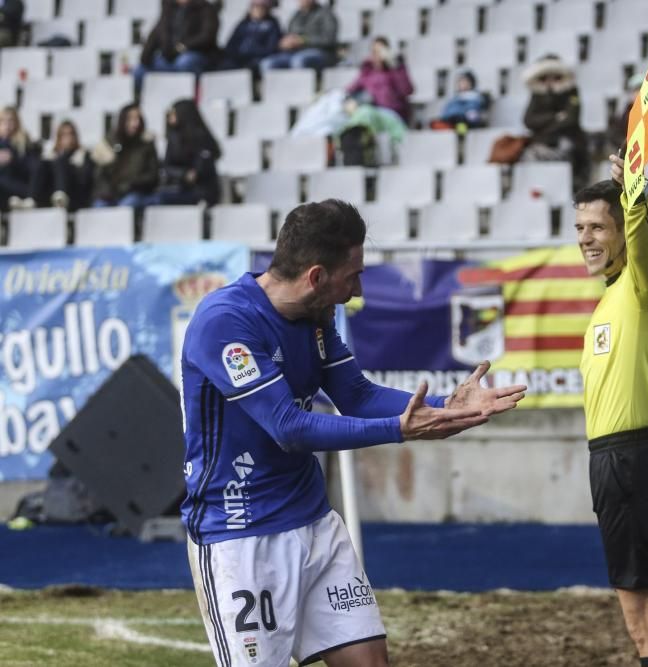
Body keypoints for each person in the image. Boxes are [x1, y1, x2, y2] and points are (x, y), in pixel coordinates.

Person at [180, 199, 527, 667]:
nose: (358, 289)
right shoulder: (225, 321)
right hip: (241, 534)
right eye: (353, 275)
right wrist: (400, 431)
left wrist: (447, 407)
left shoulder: (318, 315)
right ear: (317, 276)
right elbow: (288, 427)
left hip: (314, 522)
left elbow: (357, 395)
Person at [574, 155, 648, 666]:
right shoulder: (610, 299)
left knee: (647, 623)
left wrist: (637, 196)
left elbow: (645, 245)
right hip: (615, 465)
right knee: (645, 622)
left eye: (598, 226)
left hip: (636, 463)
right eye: (580, 227)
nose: (586, 237)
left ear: (624, 231)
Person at [522, 53, 590, 193]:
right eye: (544, 77)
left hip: (568, 142)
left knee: (567, 151)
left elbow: (571, 119)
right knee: (529, 156)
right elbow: (528, 120)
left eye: (555, 76)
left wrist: (544, 125)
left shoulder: (571, 91)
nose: (549, 80)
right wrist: (555, 117)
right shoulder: (537, 95)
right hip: (542, 143)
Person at [134, 0, 220, 93]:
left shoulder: (205, 8)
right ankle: (149, 98)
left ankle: (187, 95)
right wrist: (146, 55)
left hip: (197, 54)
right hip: (169, 57)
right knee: (140, 70)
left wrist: (183, 46)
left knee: (185, 62)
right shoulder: (168, 8)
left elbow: (207, 37)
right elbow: (157, 32)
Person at [151, 99, 221, 206]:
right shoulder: (174, 138)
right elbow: (167, 166)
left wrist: (194, 173)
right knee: (158, 197)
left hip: (202, 190)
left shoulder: (202, 137)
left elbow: (203, 164)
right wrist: (183, 174)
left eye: (173, 114)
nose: (170, 117)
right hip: (181, 186)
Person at [92, 103, 160, 209]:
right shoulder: (110, 143)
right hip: (112, 194)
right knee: (99, 205)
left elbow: (153, 176)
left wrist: (131, 185)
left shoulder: (147, 144)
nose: (135, 123)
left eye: (138, 118)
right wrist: (108, 192)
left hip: (138, 193)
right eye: (130, 119)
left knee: (127, 204)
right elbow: (101, 175)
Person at [344, 37, 414, 124]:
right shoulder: (367, 71)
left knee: (365, 114)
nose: (377, 55)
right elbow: (349, 90)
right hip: (371, 113)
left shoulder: (396, 69)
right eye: (374, 52)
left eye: (380, 51)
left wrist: (395, 65)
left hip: (392, 114)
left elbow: (406, 90)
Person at [29, 120, 95, 211]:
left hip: (74, 195)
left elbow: (85, 181)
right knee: (43, 164)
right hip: (50, 195)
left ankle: (61, 195)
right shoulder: (50, 156)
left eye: (71, 134)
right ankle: (32, 199)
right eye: (64, 135)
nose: (68, 138)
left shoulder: (84, 155)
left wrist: (69, 162)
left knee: (61, 161)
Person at [259, 0, 338, 71]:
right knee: (267, 63)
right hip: (295, 52)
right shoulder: (296, 15)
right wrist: (285, 42)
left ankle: (301, 87)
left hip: (321, 53)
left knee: (298, 60)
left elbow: (329, 39)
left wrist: (303, 40)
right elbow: (289, 33)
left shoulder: (326, 14)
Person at [220, 0, 283, 72]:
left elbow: (271, 47)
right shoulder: (243, 24)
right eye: (255, 6)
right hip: (238, 58)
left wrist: (252, 51)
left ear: (267, 9)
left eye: (262, 7)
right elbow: (231, 44)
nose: (258, 10)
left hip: (257, 58)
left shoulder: (272, 24)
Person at [0, 106, 39, 211]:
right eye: (3, 121)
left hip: (19, 187)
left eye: (11, 120)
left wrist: (12, 159)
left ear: (17, 123)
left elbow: (31, 167)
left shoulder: (24, 143)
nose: (7, 124)